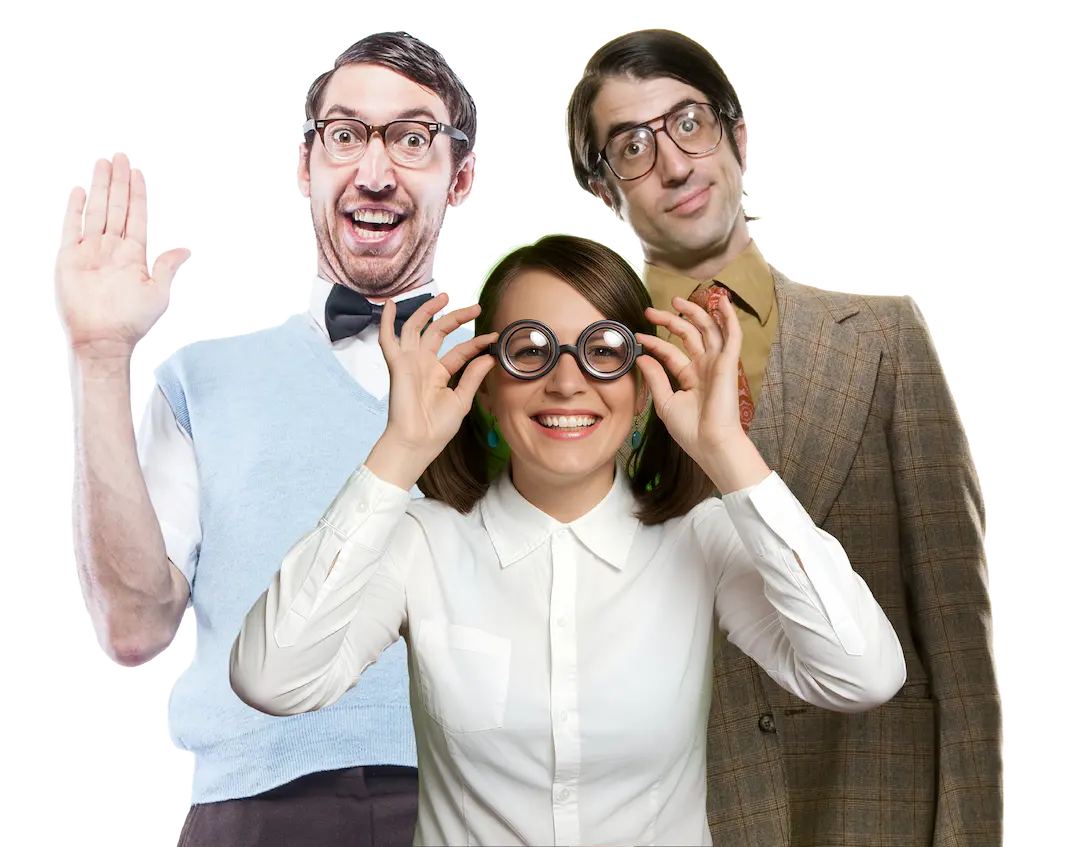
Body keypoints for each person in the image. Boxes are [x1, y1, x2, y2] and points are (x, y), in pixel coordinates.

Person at [229, 233, 906, 846]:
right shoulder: (421, 542)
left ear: (643, 387)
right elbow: (272, 679)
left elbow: (863, 673)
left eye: (605, 351)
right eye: (529, 350)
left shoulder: (701, 541)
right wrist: (401, 448)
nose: (566, 379)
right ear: (486, 385)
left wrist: (726, 451)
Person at [563, 26, 1003, 847]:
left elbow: (954, 614)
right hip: (676, 809)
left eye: (688, 122)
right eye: (631, 145)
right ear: (601, 188)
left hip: (872, 797)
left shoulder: (883, 336)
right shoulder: (573, 372)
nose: (674, 163)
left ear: (738, 132)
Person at [59, 30, 478, 847]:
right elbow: (135, 627)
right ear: (304, 167)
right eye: (346, 135)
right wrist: (102, 357)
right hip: (255, 813)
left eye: (413, 137)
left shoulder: (536, 378)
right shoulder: (203, 380)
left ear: (461, 177)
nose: (376, 170)